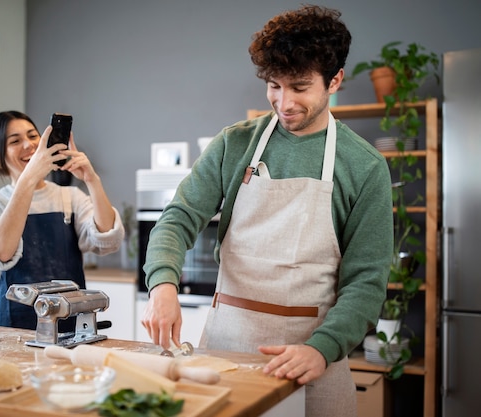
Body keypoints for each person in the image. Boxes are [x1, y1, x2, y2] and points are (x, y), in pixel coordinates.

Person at [141, 5, 392, 417]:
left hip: (314, 359)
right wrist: (163, 286)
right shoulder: (235, 144)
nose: (284, 102)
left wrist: (321, 349)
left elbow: (366, 281)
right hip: (225, 349)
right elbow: (178, 218)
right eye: (273, 86)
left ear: (335, 81)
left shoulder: (364, 165)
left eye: (299, 87)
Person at [0, 110, 124, 332]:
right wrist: (29, 179)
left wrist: (92, 180)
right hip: (9, 330)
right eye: (15, 141)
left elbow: (108, 240)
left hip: (68, 325)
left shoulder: (69, 197)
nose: (28, 145)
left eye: (33, 136)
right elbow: (1, 252)